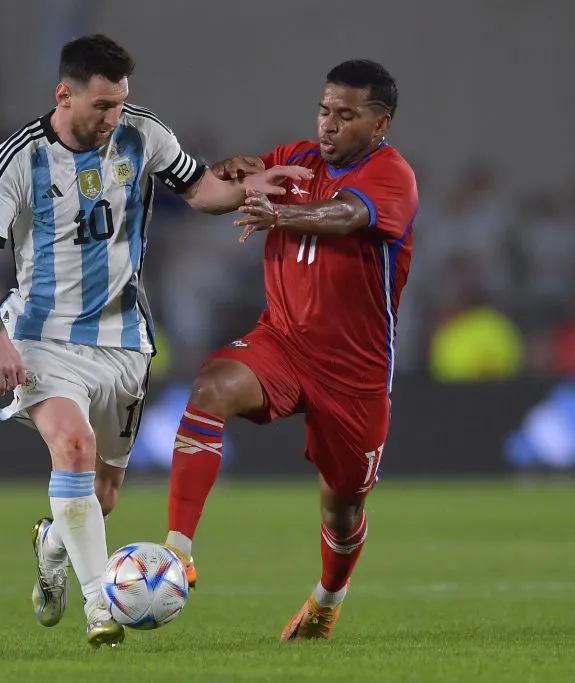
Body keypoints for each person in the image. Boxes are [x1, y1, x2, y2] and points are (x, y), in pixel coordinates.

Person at [0, 34, 310, 649]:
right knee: (73, 446)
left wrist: (252, 189)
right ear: (64, 95)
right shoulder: (16, 158)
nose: (113, 116)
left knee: (104, 495)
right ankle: (101, 607)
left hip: (124, 341)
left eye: (120, 103)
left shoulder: (142, 133)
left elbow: (200, 190)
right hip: (42, 338)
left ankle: (53, 542)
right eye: (102, 106)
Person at [161, 59, 418, 640]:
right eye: (325, 110)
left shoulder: (393, 175)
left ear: (380, 124)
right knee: (210, 388)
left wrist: (281, 214)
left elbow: (349, 214)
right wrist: (224, 172)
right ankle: (176, 552)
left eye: (346, 115)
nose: (329, 124)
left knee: (342, 509)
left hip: (354, 372)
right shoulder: (295, 159)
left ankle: (327, 598)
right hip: (282, 341)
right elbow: (224, 192)